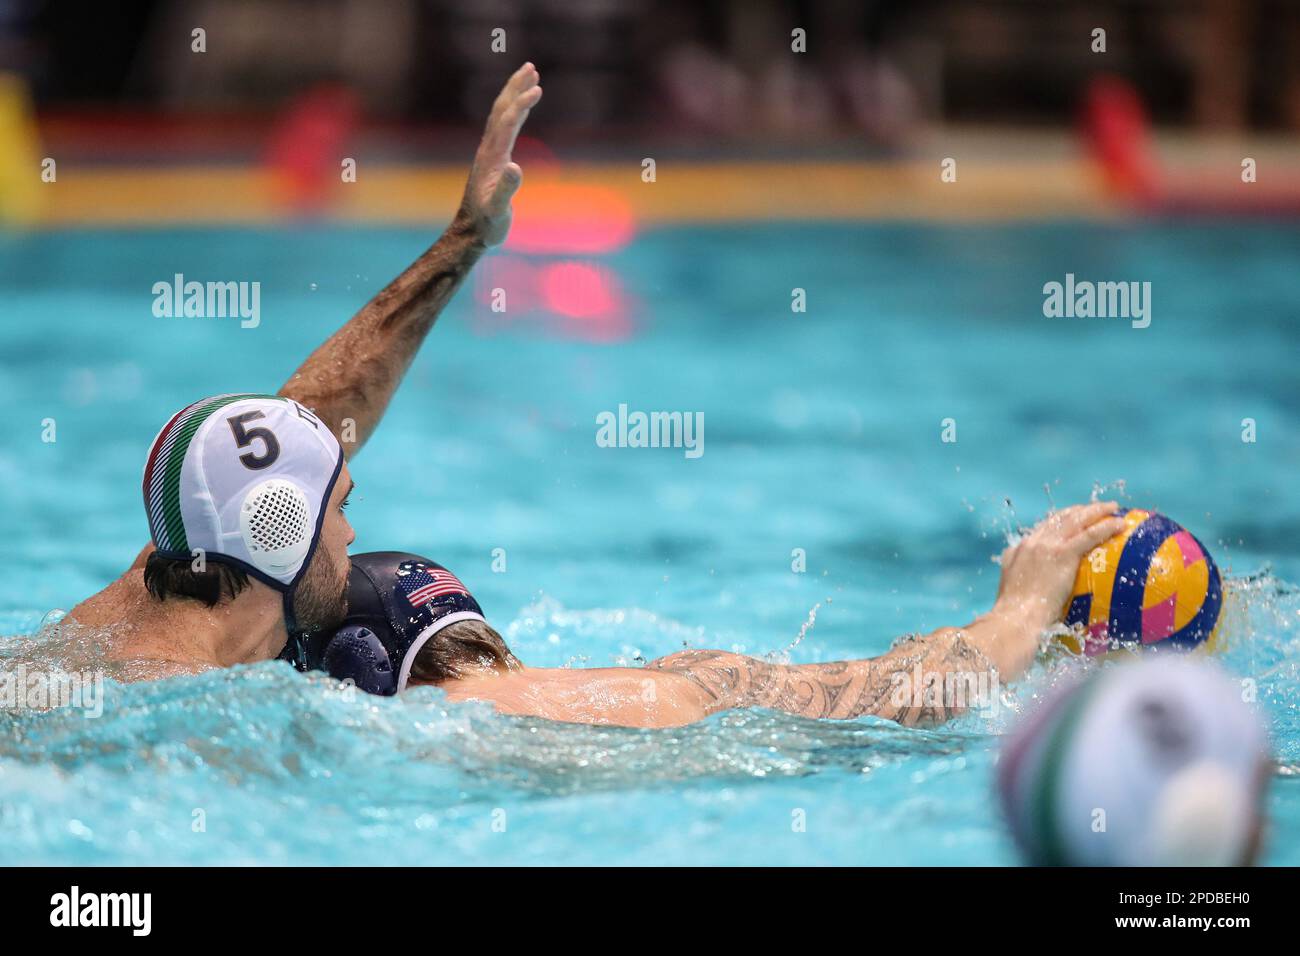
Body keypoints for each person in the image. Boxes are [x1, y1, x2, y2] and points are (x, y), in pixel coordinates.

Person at [64, 63, 545, 679]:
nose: (351, 535)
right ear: (277, 534)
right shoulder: (184, 709)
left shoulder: (162, 581)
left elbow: (300, 431)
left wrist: (465, 238)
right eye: (340, 508)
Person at [308, 494, 1125, 730]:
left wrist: (1019, 621)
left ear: (362, 670)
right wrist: (1017, 617)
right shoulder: (674, 682)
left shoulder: (428, 730)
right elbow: (896, 693)